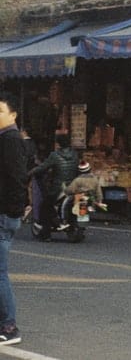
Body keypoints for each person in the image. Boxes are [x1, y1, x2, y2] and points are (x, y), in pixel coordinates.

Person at [0, 91, 28, 345]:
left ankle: (9, 327)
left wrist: (14, 211)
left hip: (4, 214)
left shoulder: (10, 139)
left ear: (13, 115)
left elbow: (17, 178)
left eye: (0, 111)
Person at [28, 132, 78, 241]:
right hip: (73, 187)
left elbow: (43, 167)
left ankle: (46, 235)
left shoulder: (55, 155)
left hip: (58, 188)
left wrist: (31, 172)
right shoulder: (75, 154)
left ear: (58, 143)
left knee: (44, 206)